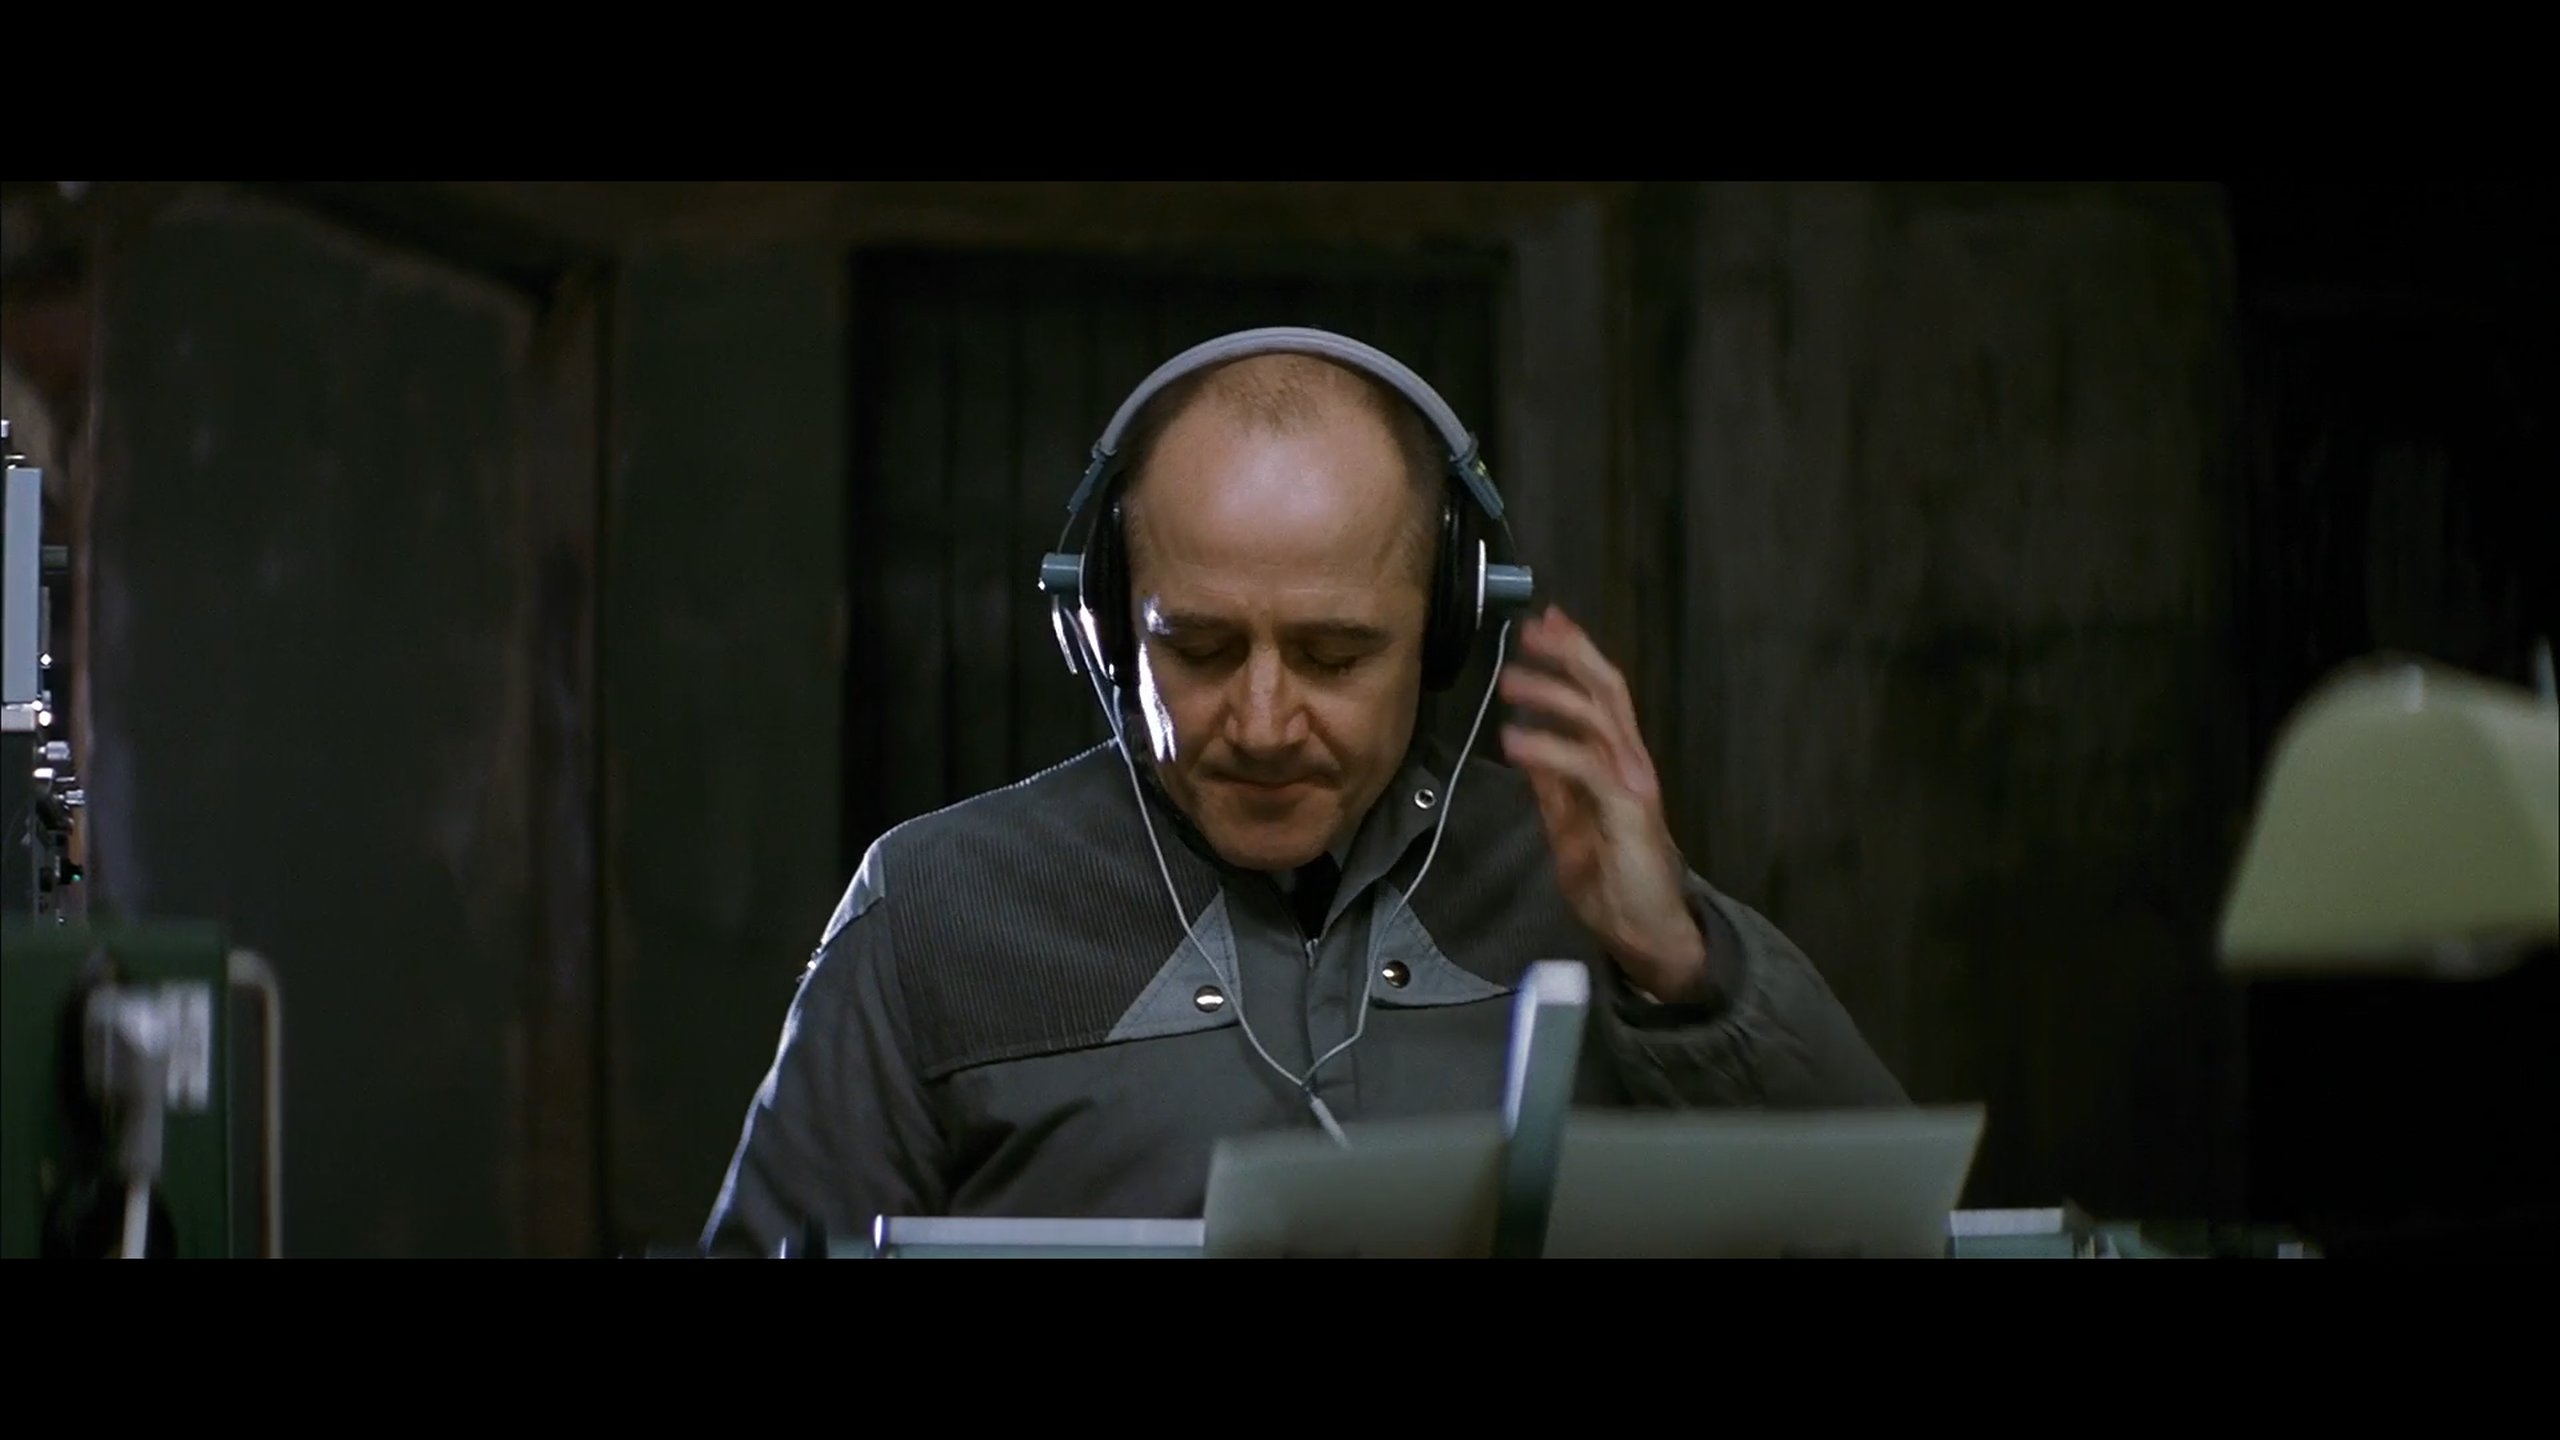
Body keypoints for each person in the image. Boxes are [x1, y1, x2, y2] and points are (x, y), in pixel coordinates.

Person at [703, 330, 1905, 1255]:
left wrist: (1682, 965)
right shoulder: (934, 911)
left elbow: (1893, 1223)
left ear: (1443, 633)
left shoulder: (1578, 884)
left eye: (1335, 657)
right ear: (1106, 626)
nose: (1264, 724)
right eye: (1198, 648)